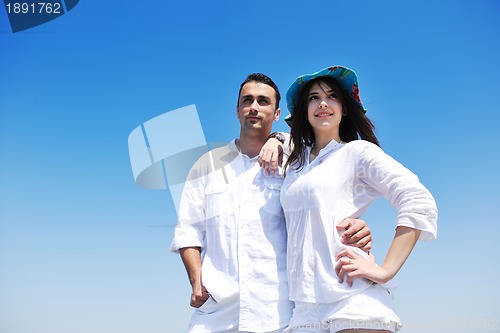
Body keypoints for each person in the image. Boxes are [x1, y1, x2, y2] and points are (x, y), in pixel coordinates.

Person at [170, 73, 374, 333]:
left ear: (277, 113)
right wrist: (196, 279)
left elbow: (322, 206)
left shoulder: (298, 161)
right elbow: (188, 229)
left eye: (263, 101)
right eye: (247, 100)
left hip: (278, 312)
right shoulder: (208, 165)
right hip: (215, 312)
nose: (254, 107)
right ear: (237, 110)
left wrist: (356, 226)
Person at [267, 66, 438, 333]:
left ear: (345, 108)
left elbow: (417, 197)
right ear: (304, 110)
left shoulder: (357, 152)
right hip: (303, 308)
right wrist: (275, 138)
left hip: (351, 297)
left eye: (332, 96)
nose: (322, 103)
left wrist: (385, 270)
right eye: (313, 97)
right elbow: (290, 143)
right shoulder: (295, 164)